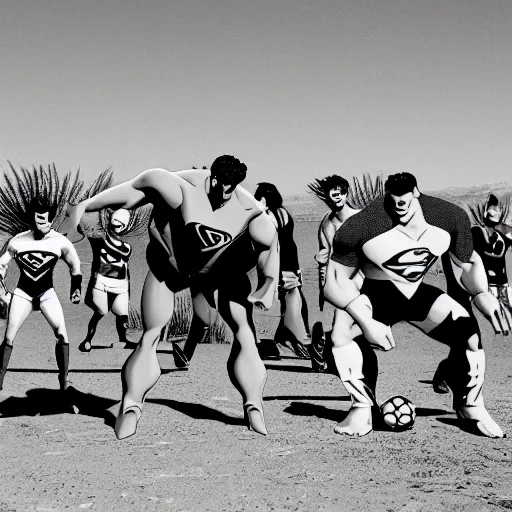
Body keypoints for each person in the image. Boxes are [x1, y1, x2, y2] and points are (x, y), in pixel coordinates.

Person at [60, 155, 279, 440]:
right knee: (151, 332)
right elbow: (135, 189)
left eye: (233, 186)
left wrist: (269, 283)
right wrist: (85, 207)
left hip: (220, 271)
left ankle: (254, 407)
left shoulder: (249, 209)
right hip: (170, 267)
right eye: (223, 185)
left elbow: (268, 244)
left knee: (244, 332)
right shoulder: (178, 188)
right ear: (212, 178)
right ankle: (131, 407)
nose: (227, 193)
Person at [323, 172, 505, 438]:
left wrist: (481, 294)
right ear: (386, 196)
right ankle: (362, 407)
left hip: (416, 294)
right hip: (375, 296)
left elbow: (468, 262)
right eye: (394, 200)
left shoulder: (448, 216)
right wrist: (367, 322)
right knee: (341, 336)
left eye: (405, 200)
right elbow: (334, 282)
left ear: (416, 193)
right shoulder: (362, 224)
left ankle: (471, 406)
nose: (400, 206)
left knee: (469, 334)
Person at [0, 198, 82, 394]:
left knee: (62, 334)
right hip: (23, 294)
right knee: (9, 336)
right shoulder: (17, 241)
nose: (44, 225)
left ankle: (64, 380)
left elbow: (75, 265)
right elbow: (1, 265)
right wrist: (1, 292)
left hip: (47, 294)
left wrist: (76, 288)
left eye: (47, 220)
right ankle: (0, 378)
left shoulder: (60, 241)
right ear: (32, 219)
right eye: (40, 220)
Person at [307, 175, 367, 372]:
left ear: (346, 193)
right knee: (348, 320)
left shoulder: (360, 218)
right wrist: (323, 283)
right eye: (333, 196)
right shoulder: (326, 222)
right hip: (339, 278)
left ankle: (324, 343)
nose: (337, 198)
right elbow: (324, 254)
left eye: (340, 194)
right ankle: (334, 355)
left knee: (359, 321)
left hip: (360, 275)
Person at [253, 182, 310, 359]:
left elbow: (274, 245)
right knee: (293, 299)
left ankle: (281, 340)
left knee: (273, 301)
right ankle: (289, 338)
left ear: (263, 199)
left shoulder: (269, 216)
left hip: (277, 265)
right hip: (290, 263)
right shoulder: (284, 213)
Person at [79, 209, 135, 352]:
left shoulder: (127, 248)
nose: (116, 228)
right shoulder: (99, 243)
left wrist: (128, 287)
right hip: (102, 283)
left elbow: (125, 267)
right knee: (101, 312)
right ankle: (87, 340)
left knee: (122, 314)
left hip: (120, 285)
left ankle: (124, 340)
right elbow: (82, 232)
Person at [470, 194, 512, 332]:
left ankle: (507, 326)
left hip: (501, 279)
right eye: (491, 210)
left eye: (497, 210)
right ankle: (501, 327)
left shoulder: (505, 232)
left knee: (505, 302)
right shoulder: (476, 231)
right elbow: (480, 251)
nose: (494, 212)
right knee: (493, 305)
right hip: (486, 280)